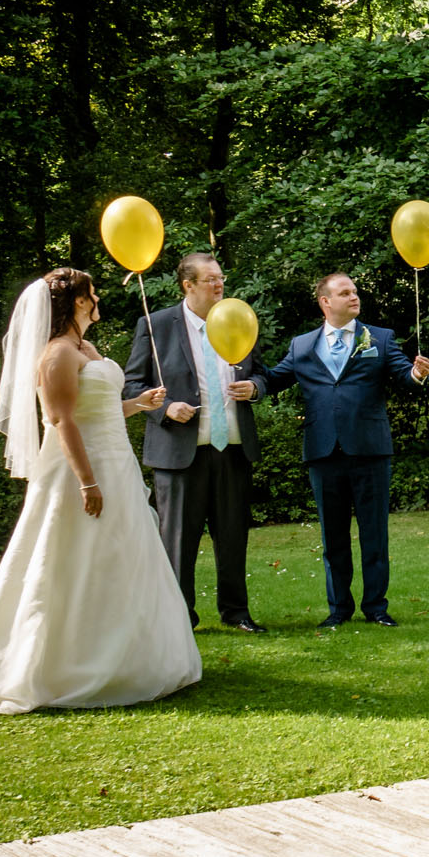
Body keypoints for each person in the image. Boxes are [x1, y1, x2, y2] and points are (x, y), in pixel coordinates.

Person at [0, 272, 198, 714]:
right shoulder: (56, 354)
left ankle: (130, 656)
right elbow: (63, 421)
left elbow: (95, 408)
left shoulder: (85, 348)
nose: (97, 299)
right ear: (76, 302)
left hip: (116, 462)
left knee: (122, 555)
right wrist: (87, 481)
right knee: (72, 559)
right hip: (83, 469)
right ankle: (69, 664)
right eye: (90, 294)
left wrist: (138, 404)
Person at [253, 273, 429, 628]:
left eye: (355, 291)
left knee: (374, 535)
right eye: (344, 292)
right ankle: (338, 610)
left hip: (369, 449)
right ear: (325, 302)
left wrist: (417, 374)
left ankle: (376, 608)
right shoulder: (302, 345)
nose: (354, 297)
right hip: (323, 451)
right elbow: (274, 380)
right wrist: (246, 369)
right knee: (332, 537)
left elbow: (403, 375)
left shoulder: (379, 338)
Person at [121, 252, 267, 633]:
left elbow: (263, 376)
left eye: (221, 278)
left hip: (233, 448)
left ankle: (236, 613)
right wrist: (166, 409)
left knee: (233, 538)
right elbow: (132, 384)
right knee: (178, 543)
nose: (220, 285)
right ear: (188, 285)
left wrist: (254, 388)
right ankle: (179, 618)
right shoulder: (156, 325)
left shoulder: (239, 318)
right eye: (211, 280)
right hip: (179, 453)